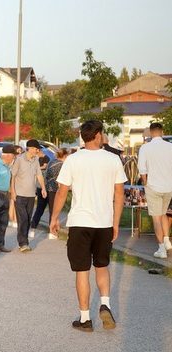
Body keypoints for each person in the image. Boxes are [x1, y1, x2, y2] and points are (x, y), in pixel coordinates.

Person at [50, 120, 126, 332]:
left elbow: (62, 192)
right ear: (98, 135)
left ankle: (85, 319)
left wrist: (54, 217)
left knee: (82, 270)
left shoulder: (73, 160)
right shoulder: (113, 159)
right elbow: (119, 194)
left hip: (80, 222)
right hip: (104, 223)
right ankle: (105, 304)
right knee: (102, 266)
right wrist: (115, 223)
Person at [137, 122, 172, 258]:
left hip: (153, 186)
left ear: (151, 133)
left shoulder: (145, 148)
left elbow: (142, 169)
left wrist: (145, 183)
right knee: (163, 213)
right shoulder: (170, 146)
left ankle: (161, 249)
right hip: (168, 187)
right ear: (162, 132)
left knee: (156, 218)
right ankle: (167, 241)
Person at [11, 139, 46, 252]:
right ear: (29, 148)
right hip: (19, 194)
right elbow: (13, 176)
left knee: (28, 219)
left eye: (38, 149)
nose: (37, 151)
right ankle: (23, 243)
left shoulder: (36, 160)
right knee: (23, 219)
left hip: (31, 195)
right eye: (36, 149)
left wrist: (43, 188)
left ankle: (24, 241)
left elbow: (39, 175)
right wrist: (13, 192)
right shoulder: (19, 160)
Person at [43, 148, 69, 239]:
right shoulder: (62, 165)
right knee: (56, 209)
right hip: (57, 189)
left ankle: (52, 229)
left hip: (49, 188)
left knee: (52, 209)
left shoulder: (51, 161)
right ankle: (53, 231)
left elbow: (46, 174)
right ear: (65, 156)